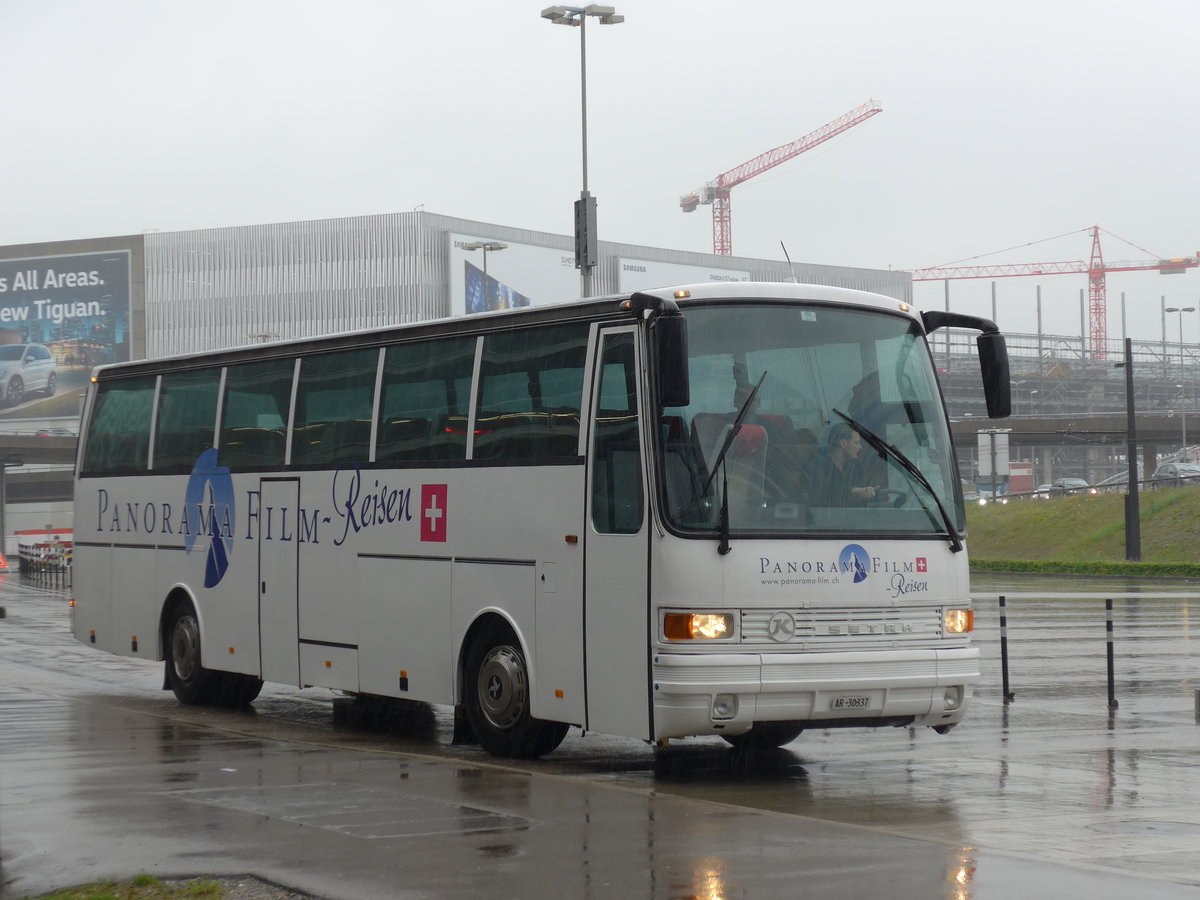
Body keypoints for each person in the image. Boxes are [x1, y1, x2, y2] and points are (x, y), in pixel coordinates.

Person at [812, 422, 878, 505]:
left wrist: (867, 492)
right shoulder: (817, 464)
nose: (860, 447)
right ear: (843, 443)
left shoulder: (855, 466)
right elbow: (822, 489)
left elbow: (861, 490)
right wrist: (853, 491)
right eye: (856, 443)